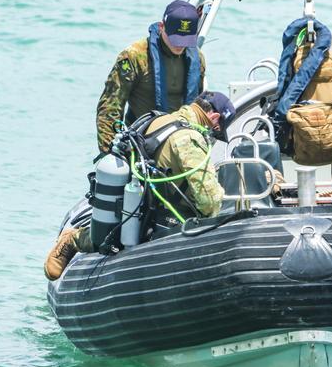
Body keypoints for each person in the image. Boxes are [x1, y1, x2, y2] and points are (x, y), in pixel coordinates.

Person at [44, 91, 235, 281]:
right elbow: (210, 203)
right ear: (214, 117)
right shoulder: (190, 139)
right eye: (217, 130)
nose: (213, 136)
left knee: (119, 234)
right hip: (165, 220)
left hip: (142, 210)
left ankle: (75, 239)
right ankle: (72, 238)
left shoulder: (161, 119)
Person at [96, 0, 207, 153]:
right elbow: (110, 107)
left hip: (182, 139)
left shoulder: (197, 59)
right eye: (175, 38)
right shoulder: (134, 56)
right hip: (143, 141)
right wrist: (109, 152)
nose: (180, 45)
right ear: (162, 27)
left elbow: (199, 104)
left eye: (185, 40)